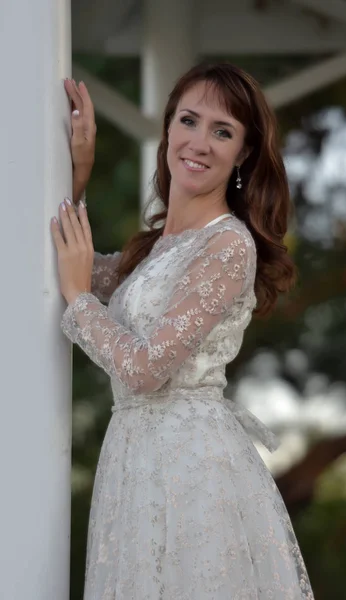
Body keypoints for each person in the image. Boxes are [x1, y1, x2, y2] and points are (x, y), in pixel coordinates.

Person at [51, 63, 314, 599]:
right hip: (133, 460)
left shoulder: (228, 245)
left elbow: (146, 370)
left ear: (242, 153)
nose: (199, 142)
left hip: (189, 466)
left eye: (222, 131)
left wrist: (79, 301)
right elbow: (73, 265)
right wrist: (79, 172)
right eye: (189, 121)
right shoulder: (153, 251)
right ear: (168, 129)